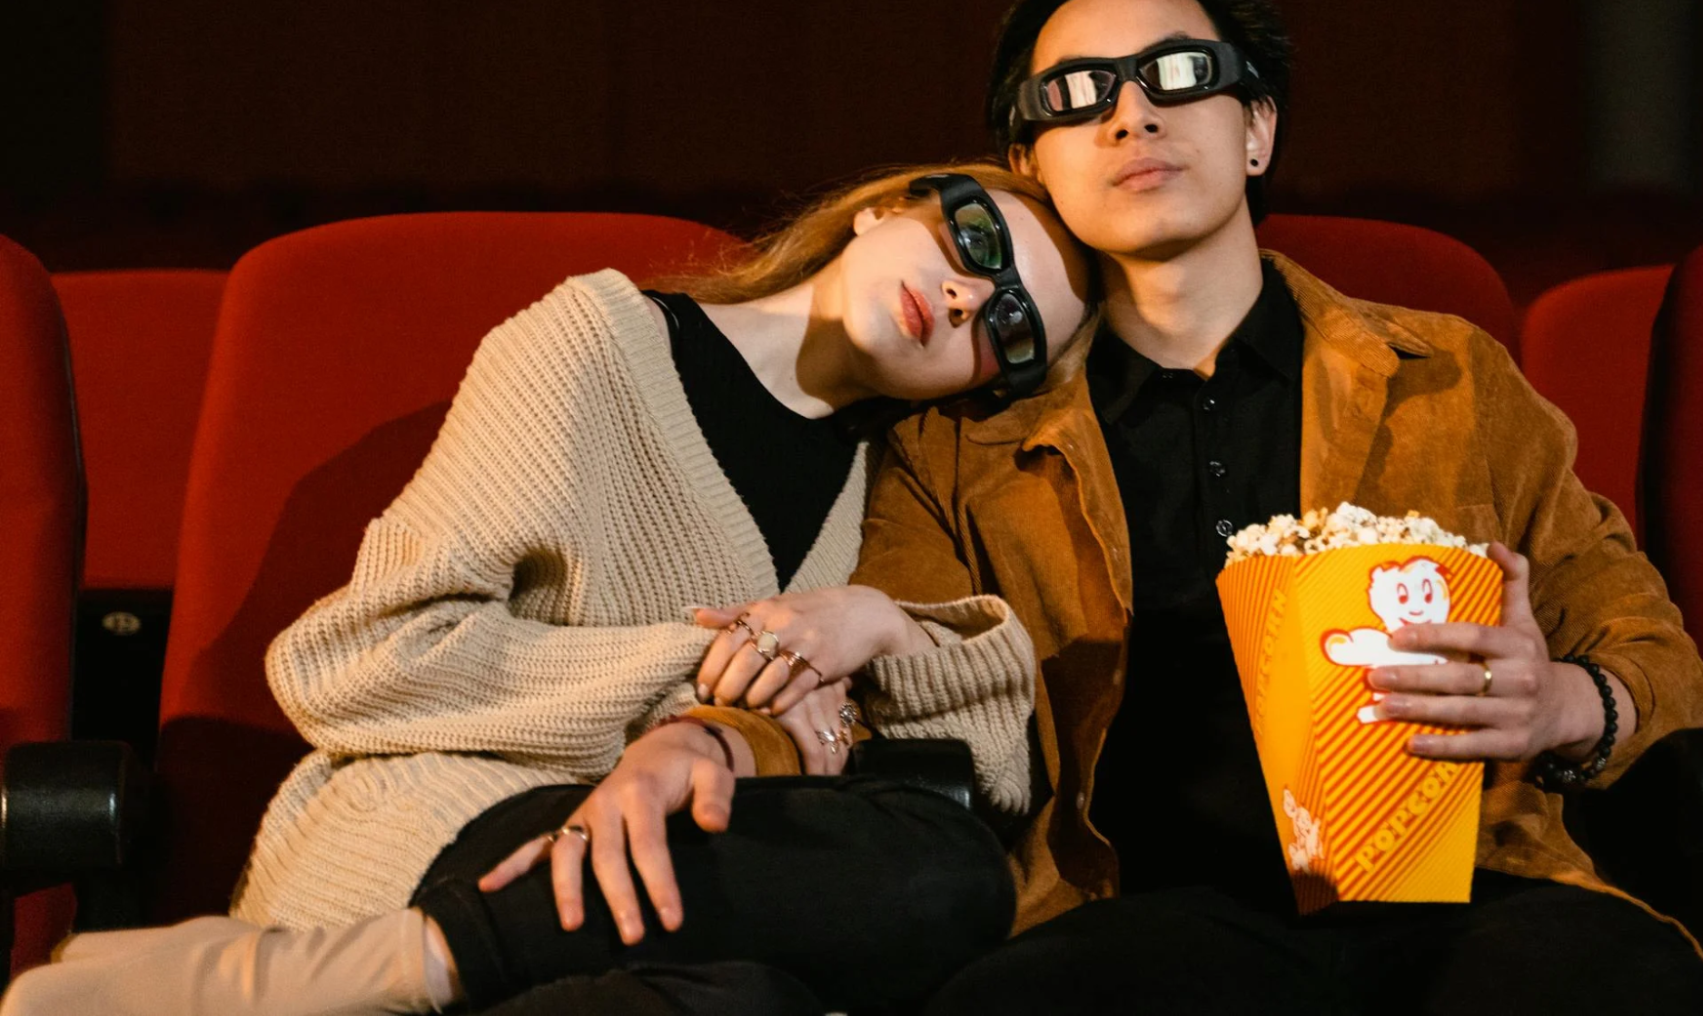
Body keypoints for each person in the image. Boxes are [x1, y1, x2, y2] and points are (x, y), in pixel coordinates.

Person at [841, 0, 1703, 1015]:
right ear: (1029, 164)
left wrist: (1563, 705)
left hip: (1472, 894)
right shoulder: (955, 438)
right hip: (1132, 913)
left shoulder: (1447, 375)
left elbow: (1654, 655)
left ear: (1256, 128)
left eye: (1177, 74)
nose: (1131, 117)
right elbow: (909, 713)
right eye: (1077, 96)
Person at [2, 163, 1095, 1017]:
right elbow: (356, 661)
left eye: (1004, 330)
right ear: (883, 210)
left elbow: (989, 768)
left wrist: (877, 620)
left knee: (832, 947)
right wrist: (703, 667)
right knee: (923, 892)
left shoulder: (887, 486)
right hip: (453, 820)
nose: (961, 296)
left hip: (673, 872)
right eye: (975, 241)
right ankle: (372, 958)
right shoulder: (598, 344)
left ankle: (365, 978)